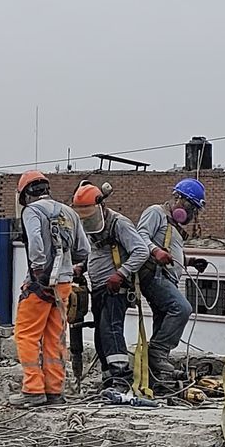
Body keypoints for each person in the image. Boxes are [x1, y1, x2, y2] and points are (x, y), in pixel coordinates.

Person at [16, 170, 88, 406]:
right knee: (55, 337)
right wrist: (69, 267)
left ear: (26, 194)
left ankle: (34, 389)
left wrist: (38, 273)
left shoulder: (32, 211)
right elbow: (83, 250)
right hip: (64, 284)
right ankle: (54, 390)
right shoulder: (68, 212)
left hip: (41, 285)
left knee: (26, 335)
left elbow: (35, 241)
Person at [74, 181, 152, 394]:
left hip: (116, 288)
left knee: (111, 329)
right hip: (99, 287)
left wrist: (121, 274)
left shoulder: (119, 224)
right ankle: (109, 377)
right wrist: (82, 266)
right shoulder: (92, 225)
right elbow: (95, 252)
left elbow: (140, 251)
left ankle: (121, 377)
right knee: (101, 332)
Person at [134, 177, 208, 388]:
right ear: (178, 199)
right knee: (181, 308)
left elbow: (170, 253)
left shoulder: (172, 225)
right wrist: (155, 251)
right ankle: (156, 352)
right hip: (154, 274)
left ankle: (155, 377)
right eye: (190, 207)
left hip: (167, 276)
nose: (192, 214)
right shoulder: (156, 212)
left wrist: (190, 261)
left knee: (163, 320)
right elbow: (140, 236)